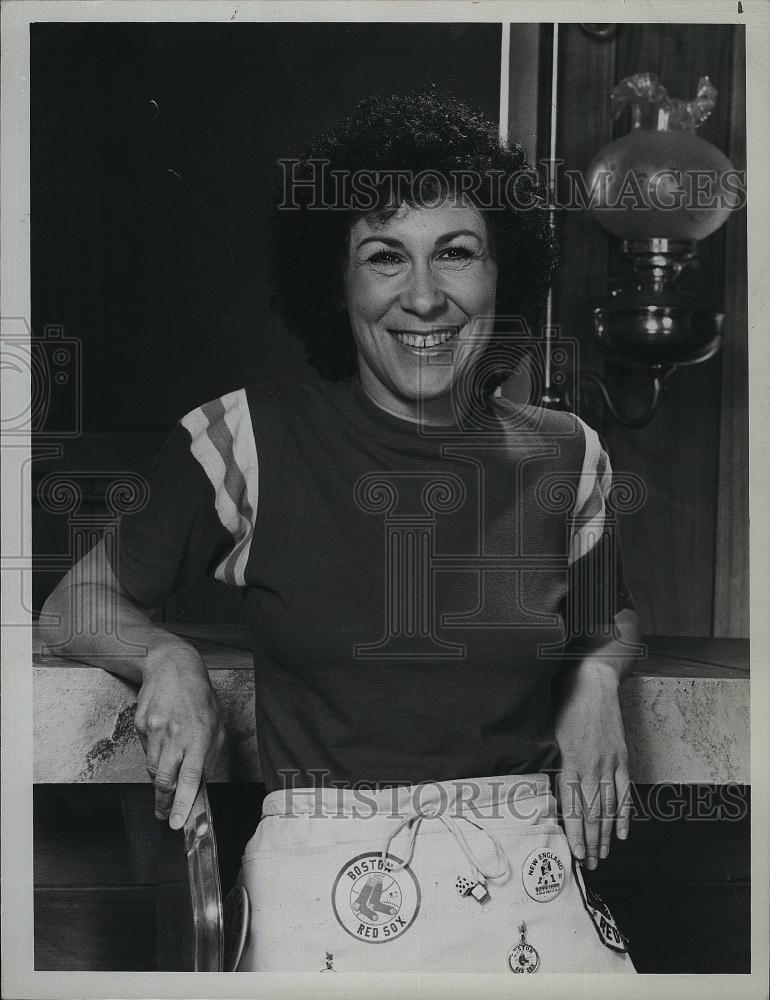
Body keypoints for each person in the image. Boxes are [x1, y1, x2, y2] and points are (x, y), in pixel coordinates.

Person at [40, 91, 640, 974]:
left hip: (526, 879)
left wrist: (595, 672)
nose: (425, 296)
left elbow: (610, 617)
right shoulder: (243, 440)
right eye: (384, 257)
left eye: (458, 254)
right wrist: (164, 656)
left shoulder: (567, 452)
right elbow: (73, 604)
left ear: (501, 271)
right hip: (322, 885)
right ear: (340, 281)